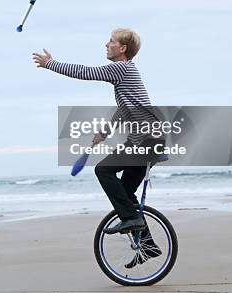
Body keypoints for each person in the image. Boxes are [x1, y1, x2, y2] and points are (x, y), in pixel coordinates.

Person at [33, 27, 162, 268]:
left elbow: (85, 72)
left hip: (147, 141)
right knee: (126, 194)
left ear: (122, 49)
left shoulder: (122, 68)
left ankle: (131, 220)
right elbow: (124, 110)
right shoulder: (125, 75)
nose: (106, 44)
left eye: (111, 41)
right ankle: (147, 245)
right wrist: (104, 132)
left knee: (103, 171)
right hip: (147, 141)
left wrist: (51, 64)